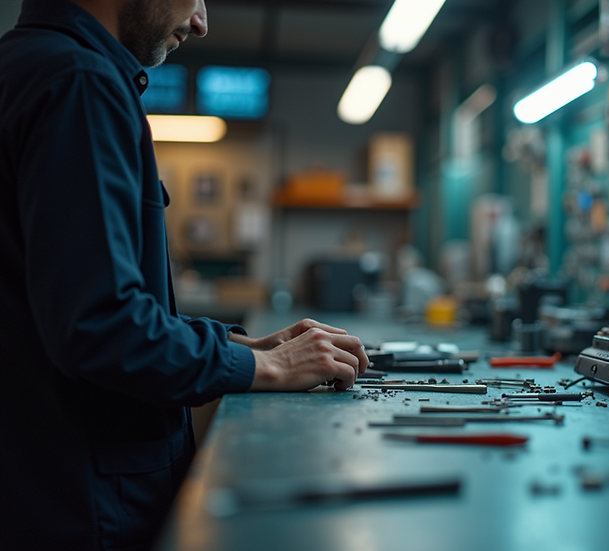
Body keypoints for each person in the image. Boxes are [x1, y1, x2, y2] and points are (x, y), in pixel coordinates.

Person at [0, 1, 370, 549]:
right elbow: (101, 325)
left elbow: (63, 302)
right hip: (88, 508)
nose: (201, 21)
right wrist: (257, 366)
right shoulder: (81, 81)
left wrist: (243, 343)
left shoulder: (21, 65)